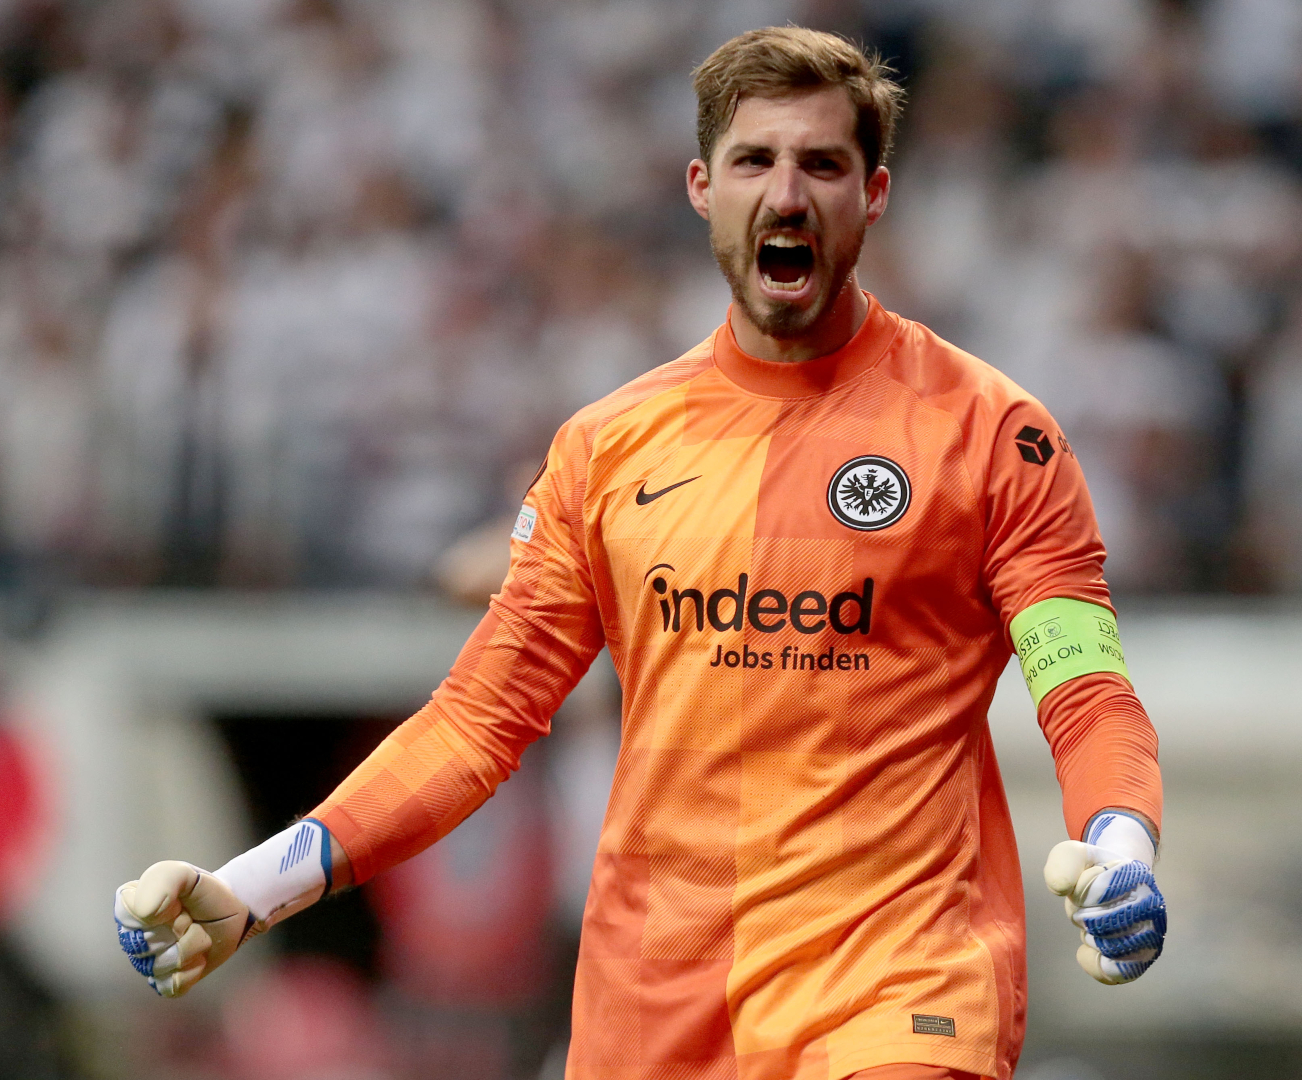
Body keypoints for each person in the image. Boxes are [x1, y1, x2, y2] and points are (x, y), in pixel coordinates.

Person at [115, 27, 1165, 1080]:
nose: (787, 195)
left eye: (823, 164)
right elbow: (477, 724)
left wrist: (1121, 845)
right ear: (703, 188)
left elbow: (1086, 688)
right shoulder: (608, 449)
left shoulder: (992, 434)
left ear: (875, 193)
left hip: (896, 990)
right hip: (657, 1011)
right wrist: (252, 889)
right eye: (756, 161)